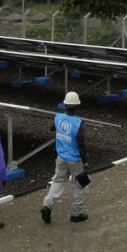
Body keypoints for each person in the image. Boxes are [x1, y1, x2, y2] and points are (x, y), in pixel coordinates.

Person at [41, 91, 89, 224]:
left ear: (65, 104)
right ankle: (77, 213)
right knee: (80, 185)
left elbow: (52, 128)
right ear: (78, 106)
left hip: (60, 157)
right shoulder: (79, 123)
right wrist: (85, 162)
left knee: (58, 181)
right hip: (75, 160)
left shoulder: (58, 118)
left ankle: (47, 205)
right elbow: (81, 144)